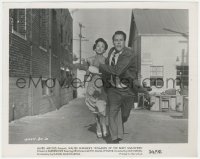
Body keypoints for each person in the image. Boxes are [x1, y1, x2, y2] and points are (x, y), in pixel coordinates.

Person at [96, 31, 138, 143]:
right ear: (113, 42)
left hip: (127, 90)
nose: (118, 43)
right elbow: (108, 66)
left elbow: (117, 70)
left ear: (124, 41)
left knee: (124, 115)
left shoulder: (128, 54)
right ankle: (114, 140)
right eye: (116, 40)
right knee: (112, 113)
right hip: (113, 89)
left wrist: (100, 67)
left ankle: (119, 129)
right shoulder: (111, 51)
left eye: (121, 40)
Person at [84, 38, 109, 138]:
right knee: (95, 109)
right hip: (92, 87)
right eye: (98, 45)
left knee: (102, 109)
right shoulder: (90, 59)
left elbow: (108, 73)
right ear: (95, 47)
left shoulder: (107, 60)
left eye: (102, 46)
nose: (100, 48)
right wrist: (85, 78)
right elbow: (87, 74)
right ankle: (98, 125)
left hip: (102, 86)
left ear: (105, 50)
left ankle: (103, 124)